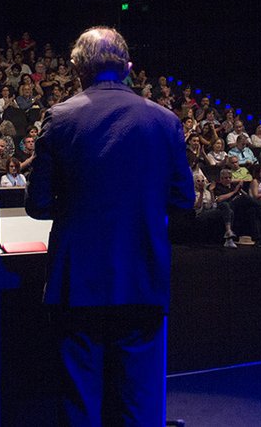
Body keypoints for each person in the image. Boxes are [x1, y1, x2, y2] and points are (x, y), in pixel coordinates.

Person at [26, 27, 194, 426]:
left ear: (77, 70)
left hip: (78, 281)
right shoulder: (166, 120)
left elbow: (37, 204)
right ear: (128, 68)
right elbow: (183, 201)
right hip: (142, 277)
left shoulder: (61, 117)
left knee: (81, 398)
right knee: (139, 400)